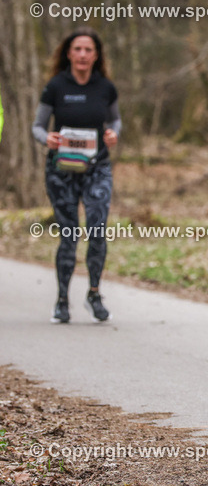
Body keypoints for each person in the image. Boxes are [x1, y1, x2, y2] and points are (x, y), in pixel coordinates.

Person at [32, 28, 121, 323]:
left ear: (96, 56)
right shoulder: (56, 86)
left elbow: (115, 120)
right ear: (68, 53)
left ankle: (94, 294)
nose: (83, 55)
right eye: (78, 49)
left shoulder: (105, 87)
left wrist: (113, 134)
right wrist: (47, 139)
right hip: (62, 170)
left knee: (97, 230)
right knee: (68, 234)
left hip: (97, 167)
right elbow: (38, 126)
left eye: (88, 50)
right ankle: (61, 301)